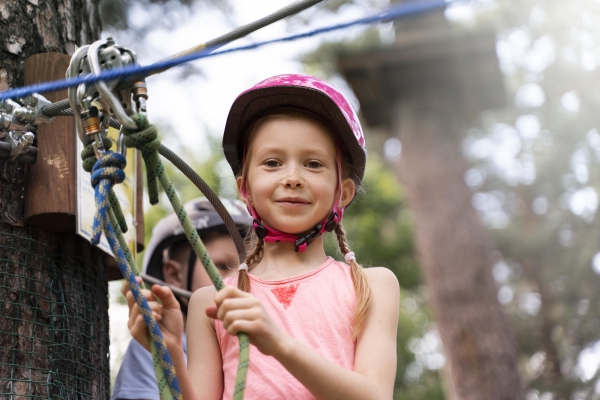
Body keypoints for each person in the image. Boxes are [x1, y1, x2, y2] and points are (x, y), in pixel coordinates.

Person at [123, 74, 400, 399]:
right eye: (272, 163)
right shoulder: (211, 302)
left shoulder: (371, 286)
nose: (293, 178)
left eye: (313, 164)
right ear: (245, 189)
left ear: (343, 192)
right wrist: (169, 351)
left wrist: (278, 343)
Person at [112, 197, 252, 400]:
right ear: (175, 275)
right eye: (222, 266)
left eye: (248, 270)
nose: (236, 282)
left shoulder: (261, 346)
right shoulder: (151, 349)